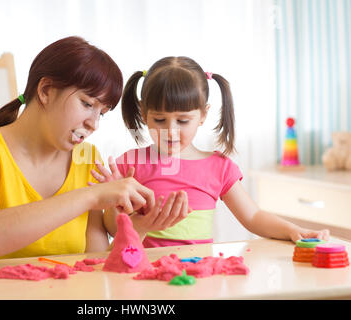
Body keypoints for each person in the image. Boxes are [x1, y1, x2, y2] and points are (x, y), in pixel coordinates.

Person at [0, 37, 188, 262]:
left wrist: (139, 226)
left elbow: (94, 263)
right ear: (45, 91)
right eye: (87, 104)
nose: (93, 124)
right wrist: (91, 196)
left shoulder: (86, 157)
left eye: (101, 113)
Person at [91, 56, 330, 248]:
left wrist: (292, 230)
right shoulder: (129, 164)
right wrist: (114, 201)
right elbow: (113, 230)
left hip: (198, 277)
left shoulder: (219, 167)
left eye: (183, 121)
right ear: (143, 114)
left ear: (203, 115)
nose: (171, 131)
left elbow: (253, 217)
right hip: (144, 276)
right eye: (160, 119)